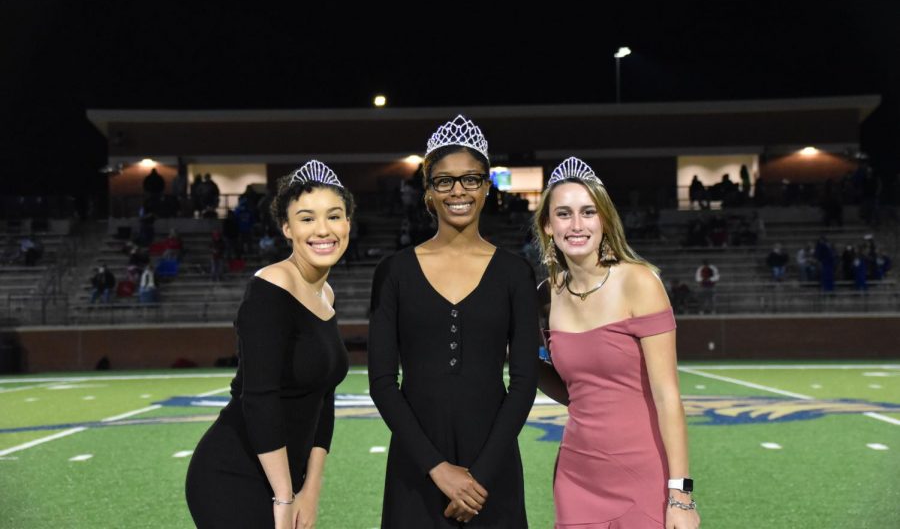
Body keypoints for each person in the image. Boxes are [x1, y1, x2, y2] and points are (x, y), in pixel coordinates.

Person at [368, 115, 539, 527]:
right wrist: (438, 469)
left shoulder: (516, 272)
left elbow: (524, 383)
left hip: (492, 469)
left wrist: (478, 476)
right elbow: (382, 383)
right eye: (444, 181)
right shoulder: (393, 271)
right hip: (417, 468)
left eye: (471, 179)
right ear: (428, 191)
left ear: (486, 188)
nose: (458, 190)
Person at [533, 157, 699, 529]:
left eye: (588, 212)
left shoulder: (639, 282)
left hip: (643, 475)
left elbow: (668, 396)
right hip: (577, 475)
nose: (576, 225)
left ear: (604, 220)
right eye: (563, 214)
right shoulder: (546, 295)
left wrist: (681, 496)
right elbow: (578, 391)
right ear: (548, 225)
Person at [186, 160, 352, 529]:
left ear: (348, 224)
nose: (323, 230)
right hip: (234, 474)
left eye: (334, 216)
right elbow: (259, 399)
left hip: (286, 481)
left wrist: (310, 489)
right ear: (286, 228)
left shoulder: (325, 293)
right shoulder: (271, 287)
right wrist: (284, 497)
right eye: (307, 218)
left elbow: (324, 399)